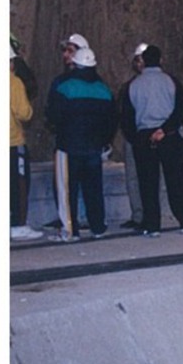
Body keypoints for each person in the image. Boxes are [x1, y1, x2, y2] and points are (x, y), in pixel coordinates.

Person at [46, 46, 118, 240]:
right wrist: (104, 141)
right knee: (94, 189)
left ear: (75, 64)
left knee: (67, 190)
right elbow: (112, 120)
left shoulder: (64, 86)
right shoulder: (103, 89)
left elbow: (53, 115)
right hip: (94, 147)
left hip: (68, 146)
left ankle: (70, 230)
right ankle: (98, 227)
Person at [125, 44, 183, 237]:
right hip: (169, 136)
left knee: (147, 182)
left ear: (143, 62)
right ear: (161, 60)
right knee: (176, 180)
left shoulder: (134, 85)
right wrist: (164, 129)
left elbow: (127, 117)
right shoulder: (171, 82)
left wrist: (141, 136)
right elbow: (181, 110)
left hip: (144, 137)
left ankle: (152, 224)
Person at [115, 43, 149, 229]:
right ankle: (138, 215)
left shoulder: (163, 82)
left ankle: (149, 214)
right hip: (134, 137)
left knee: (150, 177)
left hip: (151, 137)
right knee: (133, 177)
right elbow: (122, 112)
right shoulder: (128, 86)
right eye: (138, 60)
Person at [11, 47, 43, 241]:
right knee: (18, 184)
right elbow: (23, 112)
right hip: (12, 141)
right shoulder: (13, 82)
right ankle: (17, 224)